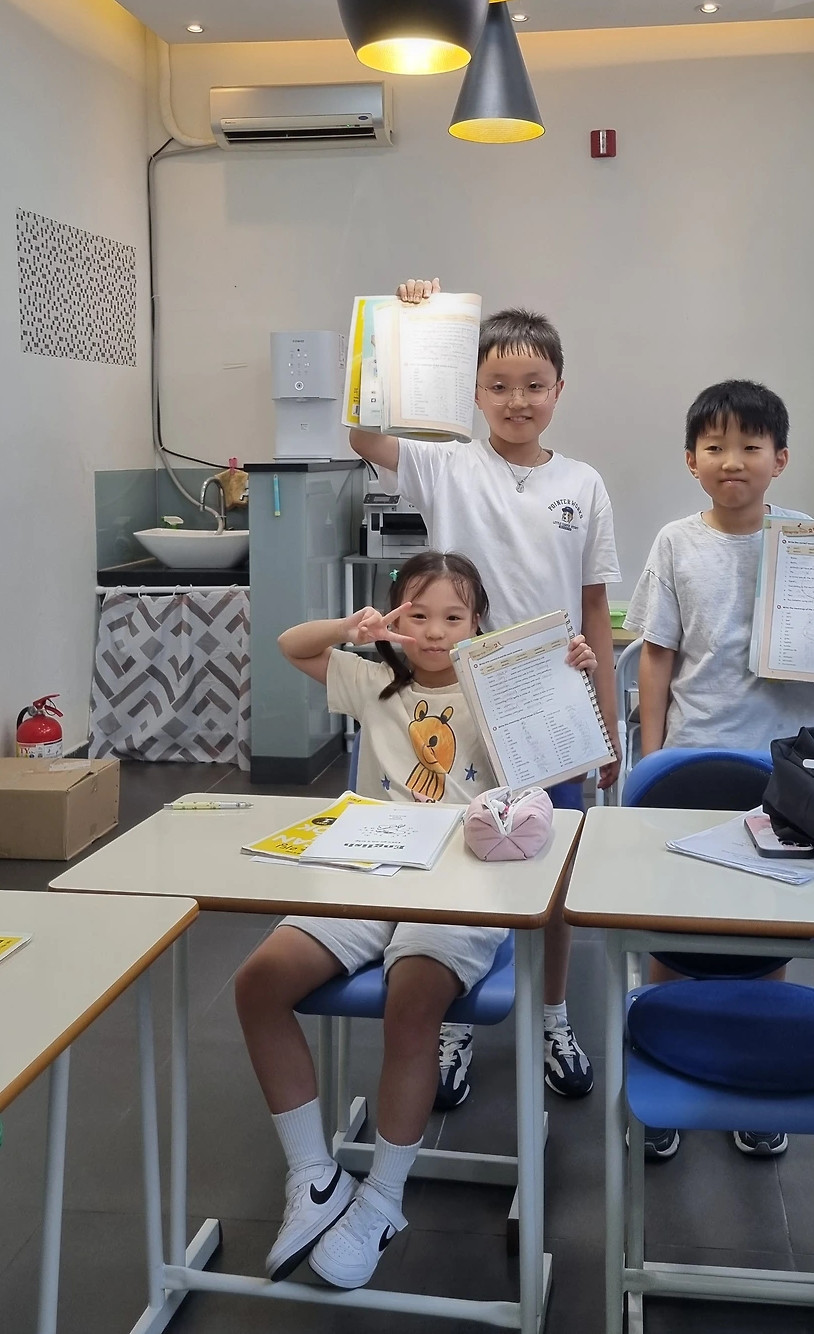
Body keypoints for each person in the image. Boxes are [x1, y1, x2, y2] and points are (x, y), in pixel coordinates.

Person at [235, 550, 597, 1289]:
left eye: (453, 617)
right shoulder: (373, 681)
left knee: (412, 1002)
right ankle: (314, 1177)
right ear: (396, 618)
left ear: (478, 623)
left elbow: (564, 758)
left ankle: (382, 1200)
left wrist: (567, 677)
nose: (434, 632)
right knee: (258, 982)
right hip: (366, 870)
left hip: (463, 883)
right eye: (418, 615)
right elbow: (291, 645)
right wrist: (355, 627)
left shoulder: (497, 689)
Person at [350, 281, 620, 1102]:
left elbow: (595, 610)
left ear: (559, 390)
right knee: (463, 861)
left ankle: (553, 1015)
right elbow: (361, 430)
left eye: (533, 385)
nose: (516, 400)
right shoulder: (443, 464)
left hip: (551, 706)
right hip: (458, 702)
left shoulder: (584, 483)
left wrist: (607, 725)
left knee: (554, 869)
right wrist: (403, 325)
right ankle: (456, 1022)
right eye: (498, 385)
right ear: (472, 392)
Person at [624, 378, 814, 1163]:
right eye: (715, 446)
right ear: (691, 459)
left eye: (750, 446)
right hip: (694, 759)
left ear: (780, 459)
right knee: (676, 920)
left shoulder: (811, 540)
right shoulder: (675, 542)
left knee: (765, 924)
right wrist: (654, 756)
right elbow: (656, 654)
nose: (733, 460)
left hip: (787, 766)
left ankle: (756, 1079)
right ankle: (660, 1065)